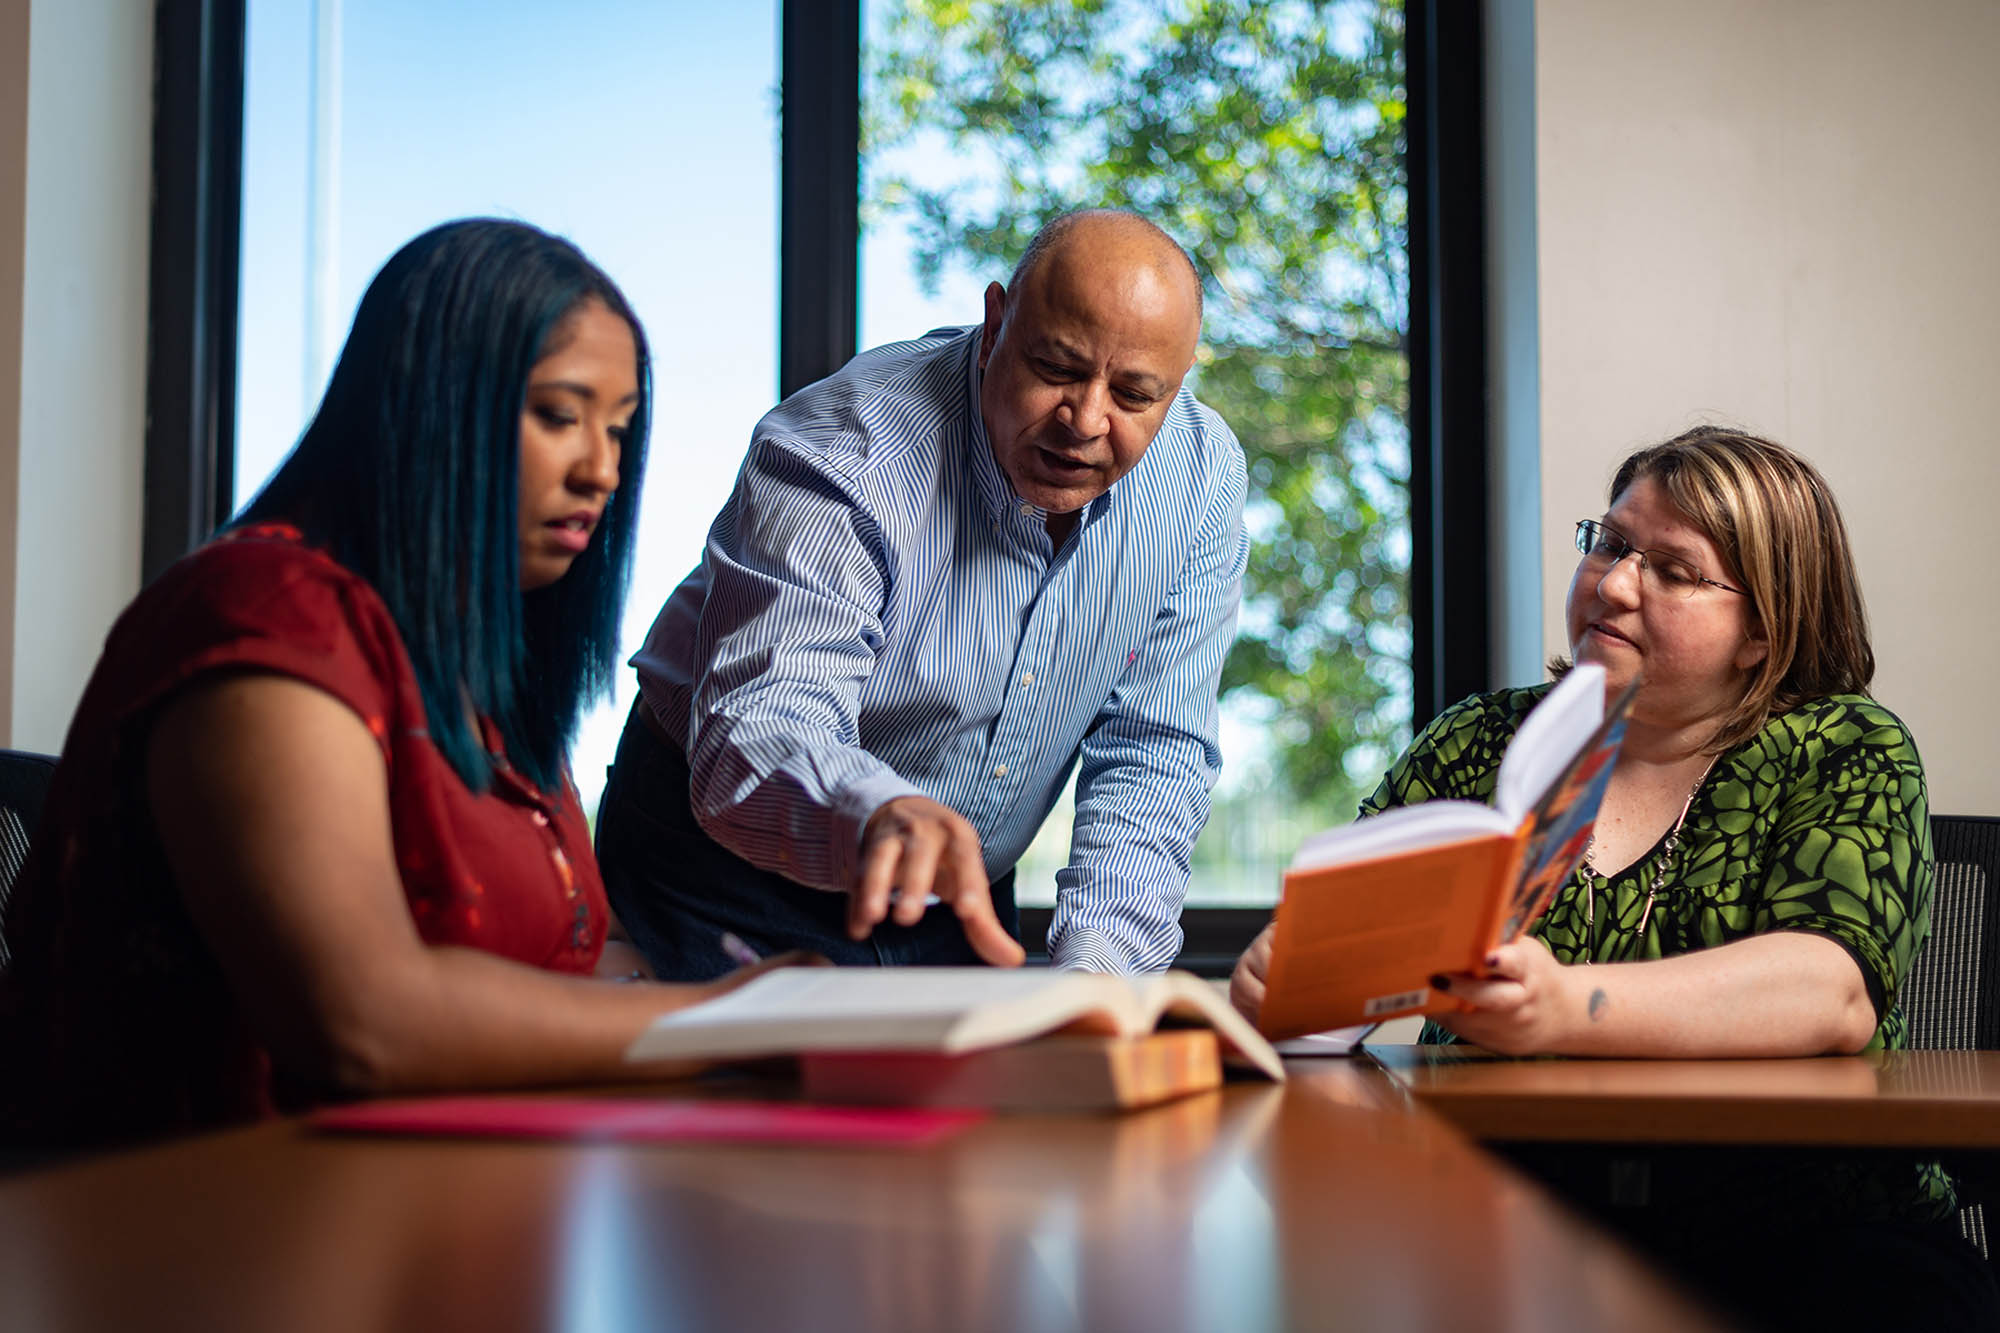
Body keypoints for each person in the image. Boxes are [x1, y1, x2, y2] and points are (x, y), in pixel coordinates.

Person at [0, 219, 793, 1152]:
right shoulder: (264, 610)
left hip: (442, 1211)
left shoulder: (484, 680)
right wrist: (719, 1020)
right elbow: (363, 1022)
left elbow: (562, 959)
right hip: (196, 1239)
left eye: (619, 431)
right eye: (559, 415)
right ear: (431, 403)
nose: (603, 469)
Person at [1232, 425, 1997, 1330]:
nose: (1615, 581)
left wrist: (1563, 1006)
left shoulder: (1845, 748)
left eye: (1673, 570)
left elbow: (1831, 994)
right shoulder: (1482, 739)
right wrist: (1290, 981)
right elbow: (1342, 938)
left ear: (1764, 628)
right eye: (1610, 542)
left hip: (1809, 1227)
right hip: (1504, 1208)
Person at [597, 208, 1247, 978]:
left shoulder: (1201, 479)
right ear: (996, 321)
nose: (1085, 420)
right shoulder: (845, 449)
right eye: (1057, 368)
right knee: (759, 1093)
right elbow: (766, 718)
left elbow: (1152, 748)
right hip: (722, 851)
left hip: (954, 884)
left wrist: (1100, 974)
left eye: (1136, 394)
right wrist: (878, 814)